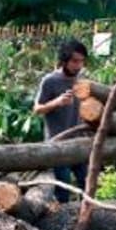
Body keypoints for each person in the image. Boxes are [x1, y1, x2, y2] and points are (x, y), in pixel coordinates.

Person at [32, 38, 89, 203]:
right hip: (57, 143)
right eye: (74, 61)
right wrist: (57, 102)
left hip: (79, 142)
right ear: (64, 61)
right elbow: (37, 109)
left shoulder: (82, 79)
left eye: (82, 61)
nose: (78, 66)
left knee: (87, 185)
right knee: (63, 190)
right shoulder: (50, 81)